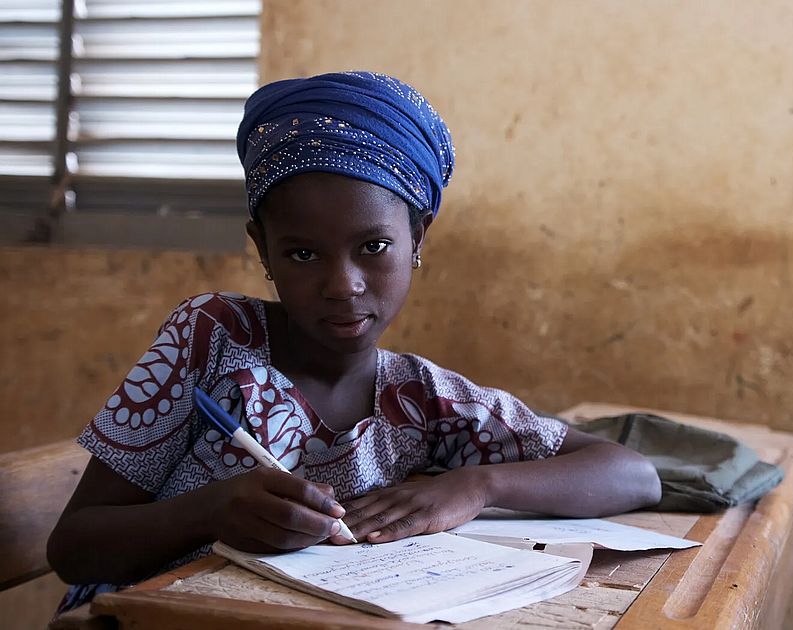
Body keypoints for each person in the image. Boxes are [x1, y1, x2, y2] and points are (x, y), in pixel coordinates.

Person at [47, 71, 661, 610]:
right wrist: (209, 511)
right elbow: (74, 548)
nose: (342, 286)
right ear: (263, 250)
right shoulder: (212, 339)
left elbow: (632, 474)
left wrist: (478, 485)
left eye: (374, 247)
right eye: (303, 253)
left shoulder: (425, 400)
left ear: (418, 237)